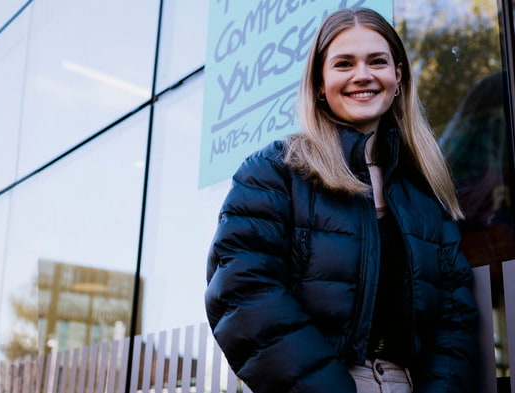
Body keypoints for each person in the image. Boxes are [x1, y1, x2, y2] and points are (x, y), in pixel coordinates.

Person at [205, 7, 481, 393]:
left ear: (397, 76)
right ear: (320, 82)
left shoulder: (424, 191)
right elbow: (243, 293)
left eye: (377, 61)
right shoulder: (274, 172)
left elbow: (455, 317)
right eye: (343, 63)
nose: (362, 75)